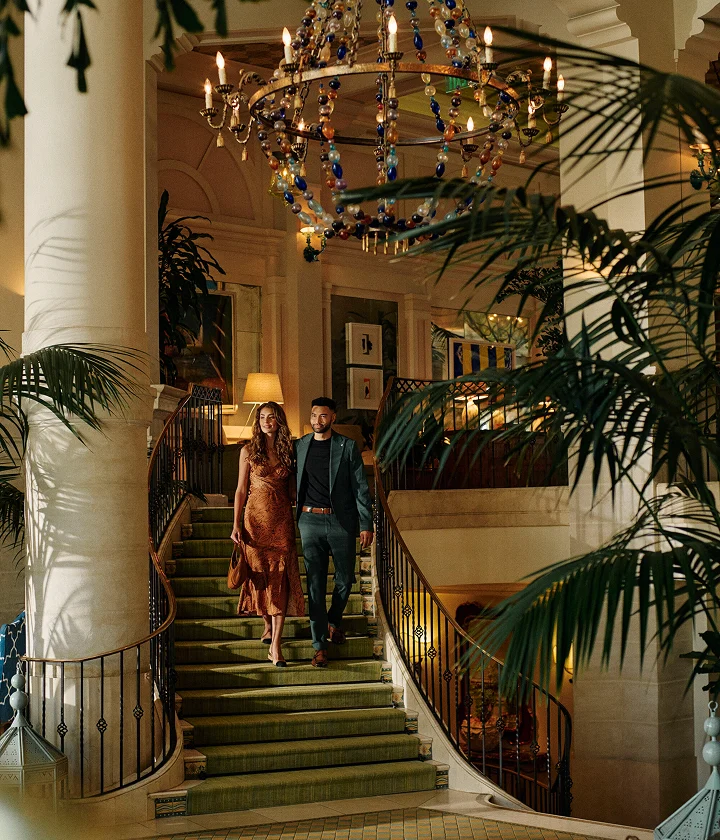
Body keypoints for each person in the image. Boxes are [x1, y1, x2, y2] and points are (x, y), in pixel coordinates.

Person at [295, 397, 374, 668]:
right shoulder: (300, 446)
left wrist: (365, 523)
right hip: (309, 521)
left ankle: (333, 620)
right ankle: (319, 646)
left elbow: (360, 487)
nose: (317, 420)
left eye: (323, 415)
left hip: (341, 522)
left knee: (345, 580)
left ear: (333, 418)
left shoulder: (347, 446)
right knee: (315, 585)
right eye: (314, 415)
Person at [230, 401, 304, 666]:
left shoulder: (289, 451)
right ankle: (267, 624)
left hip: (281, 522)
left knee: (280, 578)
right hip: (254, 522)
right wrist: (235, 524)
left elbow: (294, 488)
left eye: (271, 417)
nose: (266, 421)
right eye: (262, 417)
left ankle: (276, 646)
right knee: (259, 577)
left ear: (279, 420)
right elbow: (240, 490)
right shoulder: (248, 451)